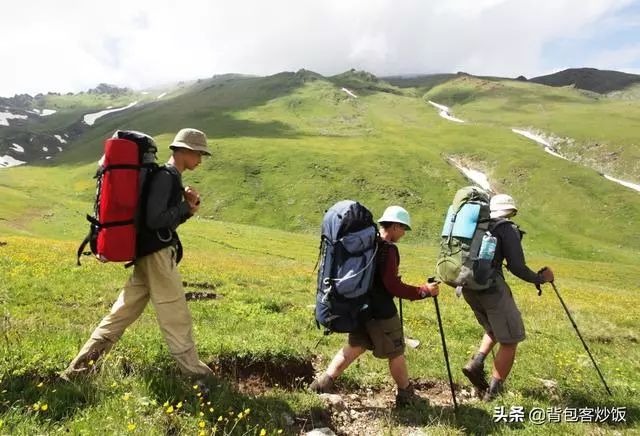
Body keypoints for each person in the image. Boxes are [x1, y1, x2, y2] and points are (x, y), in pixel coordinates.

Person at [62, 128, 213, 382]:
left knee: (120, 315)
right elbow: (155, 220)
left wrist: (187, 210)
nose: (200, 160)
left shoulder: (168, 177)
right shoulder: (166, 177)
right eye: (198, 153)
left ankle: (76, 371)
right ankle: (195, 373)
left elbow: (162, 222)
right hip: (157, 258)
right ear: (184, 151)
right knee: (176, 315)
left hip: (147, 256)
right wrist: (184, 207)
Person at [310, 206, 440, 407]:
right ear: (395, 226)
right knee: (396, 351)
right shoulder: (388, 249)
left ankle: (322, 384)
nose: (404, 233)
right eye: (403, 228)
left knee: (356, 346)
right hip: (381, 311)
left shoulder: (367, 244)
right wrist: (423, 291)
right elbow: (392, 286)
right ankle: (406, 395)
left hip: (358, 306)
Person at [461, 194, 554, 401]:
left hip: (467, 285)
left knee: (493, 328)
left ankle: (476, 363)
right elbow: (517, 266)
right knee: (511, 340)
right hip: (491, 288)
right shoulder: (506, 228)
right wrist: (540, 278)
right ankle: (493, 393)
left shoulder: (476, 225)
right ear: (510, 211)